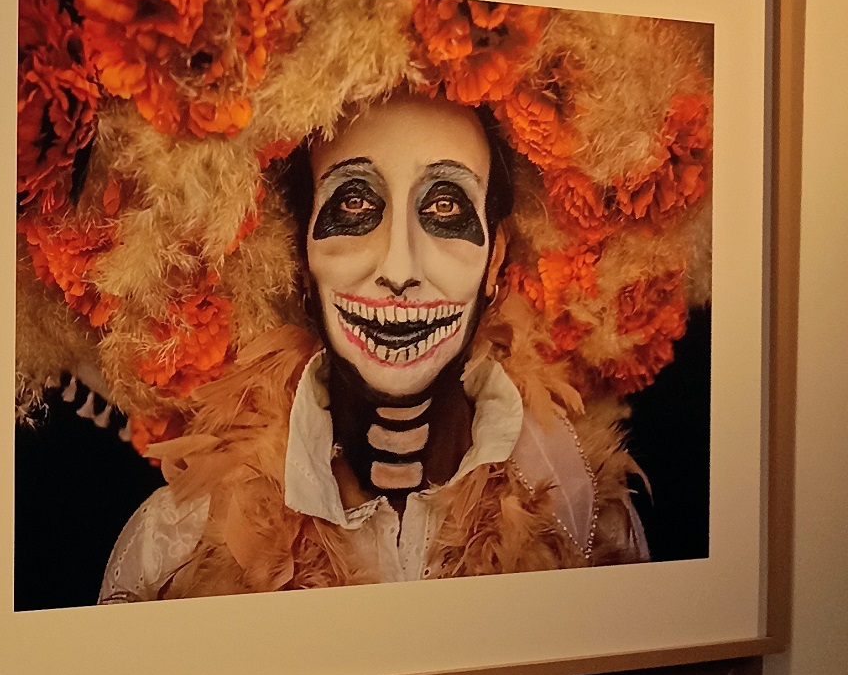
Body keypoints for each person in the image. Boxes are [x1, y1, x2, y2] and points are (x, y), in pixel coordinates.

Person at [97, 89, 648, 599]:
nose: (400, 268)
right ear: (301, 259)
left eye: (445, 207)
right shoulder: (173, 547)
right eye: (355, 204)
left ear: (494, 260)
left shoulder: (589, 524)